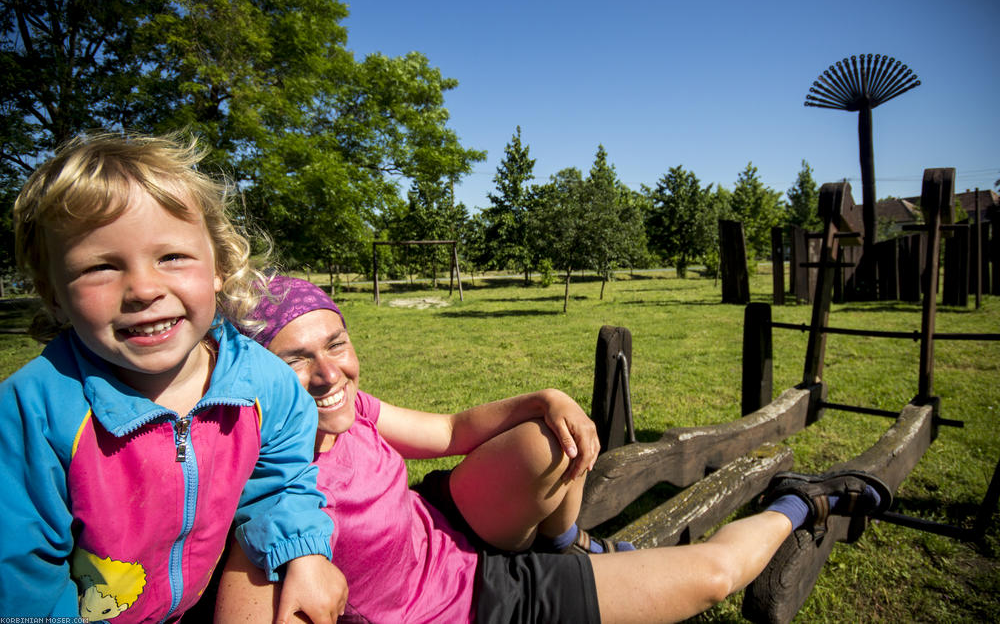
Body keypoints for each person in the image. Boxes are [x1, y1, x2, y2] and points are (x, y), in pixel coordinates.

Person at [214, 276, 892, 623]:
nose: (329, 373)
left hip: (446, 526)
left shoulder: (355, 409)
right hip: (476, 600)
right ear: (255, 373)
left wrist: (544, 395)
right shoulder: (261, 480)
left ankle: (568, 537)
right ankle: (804, 499)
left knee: (552, 439)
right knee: (711, 577)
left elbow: (450, 432)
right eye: (294, 358)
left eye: (335, 343)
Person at [0, 134, 347, 623]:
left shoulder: (266, 384)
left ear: (219, 268)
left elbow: (281, 483)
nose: (143, 289)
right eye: (100, 267)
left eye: (171, 257)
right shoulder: (32, 413)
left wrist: (305, 550)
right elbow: (20, 574)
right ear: (53, 293)